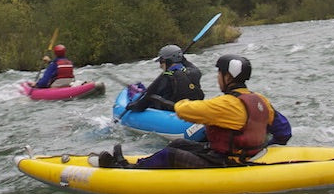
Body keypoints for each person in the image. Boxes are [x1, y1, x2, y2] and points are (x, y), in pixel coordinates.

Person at [98, 54, 293, 168]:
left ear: (227, 76)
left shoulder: (226, 103)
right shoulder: (261, 101)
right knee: (182, 143)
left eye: (219, 74)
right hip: (245, 155)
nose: (218, 78)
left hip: (228, 162)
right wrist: (263, 150)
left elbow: (185, 111)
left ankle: (128, 168)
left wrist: (168, 104)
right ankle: (140, 162)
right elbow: (284, 131)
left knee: (171, 154)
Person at [125, 44, 204, 112]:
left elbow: (145, 100)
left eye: (161, 62)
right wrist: (179, 56)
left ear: (167, 61)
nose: (160, 66)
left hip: (176, 113)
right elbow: (186, 62)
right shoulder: (195, 72)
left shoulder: (165, 78)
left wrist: (131, 106)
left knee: (153, 97)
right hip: (195, 109)